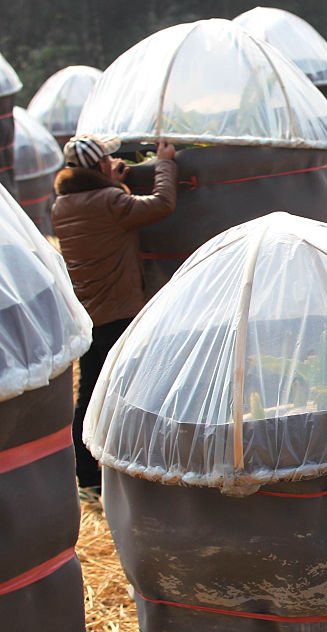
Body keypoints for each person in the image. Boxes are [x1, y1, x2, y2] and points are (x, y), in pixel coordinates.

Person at [52, 135, 178, 491]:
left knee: (90, 390)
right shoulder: (109, 200)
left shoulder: (62, 204)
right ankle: (100, 473)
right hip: (119, 310)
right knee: (126, 388)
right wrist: (165, 162)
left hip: (91, 311)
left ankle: (88, 475)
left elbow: (107, 215)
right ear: (98, 167)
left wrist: (115, 181)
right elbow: (161, 204)